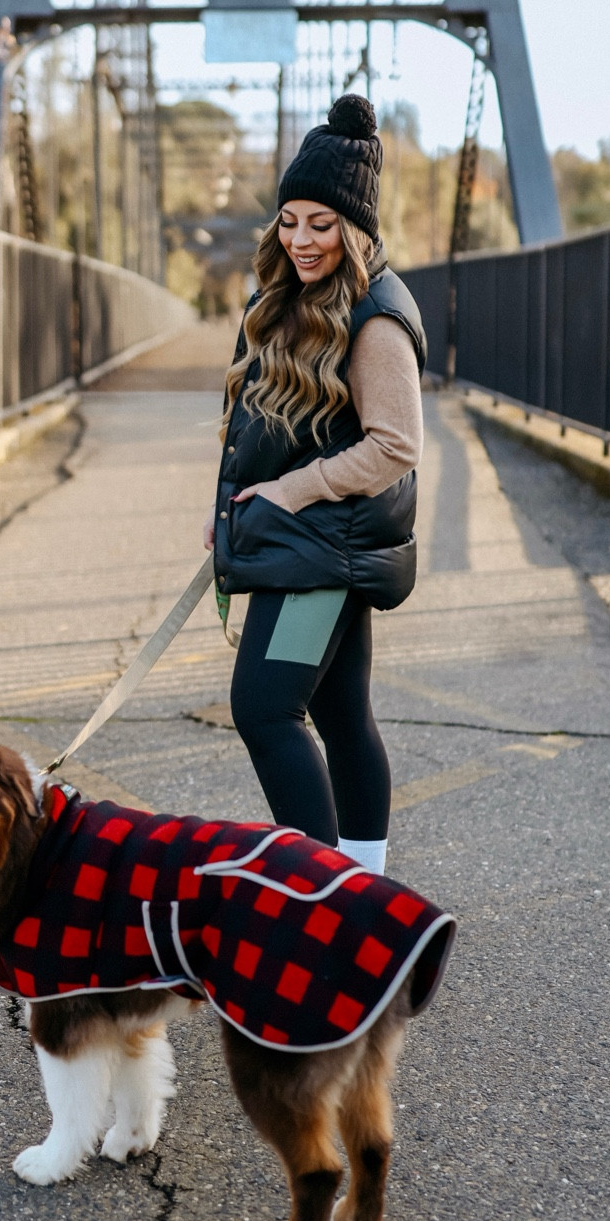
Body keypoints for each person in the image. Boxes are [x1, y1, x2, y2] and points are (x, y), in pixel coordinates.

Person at [202, 94, 426, 876]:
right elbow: (257, 422)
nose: (300, 239)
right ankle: (364, 888)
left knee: (264, 709)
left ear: (355, 229)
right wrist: (226, 511)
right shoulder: (289, 295)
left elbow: (396, 444)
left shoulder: (376, 316)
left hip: (324, 553)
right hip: (312, 544)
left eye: (321, 225)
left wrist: (291, 493)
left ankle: (327, 901)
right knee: (340, 712)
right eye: (289, 220)